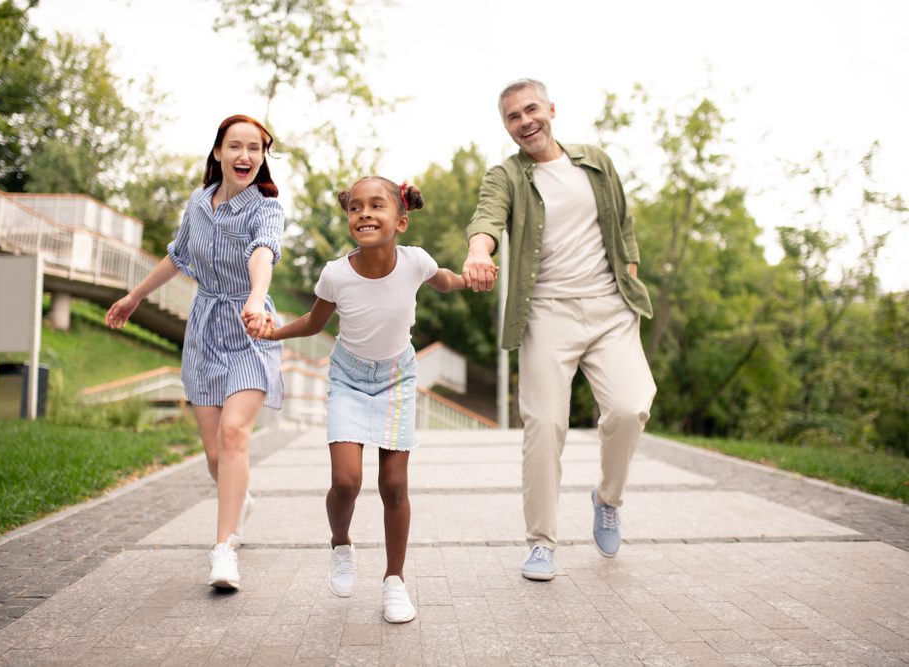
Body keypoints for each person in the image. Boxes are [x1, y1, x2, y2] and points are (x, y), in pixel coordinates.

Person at [462, 78, 656, 580]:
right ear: (506, 126)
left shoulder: (594, 160)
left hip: (611, 311)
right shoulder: (506, 175)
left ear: (551, 109)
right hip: (547, 314)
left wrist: (629, 270)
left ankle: (607, 498)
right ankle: (542, 542)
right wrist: (479, 253)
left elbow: (623, 221)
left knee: (630, 409)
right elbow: (485, 222)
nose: (525, 122)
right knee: (545, 426)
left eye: (531, 110)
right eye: (512, 116)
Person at [255, 177, 466, 622]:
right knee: (347, 481)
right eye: (355, 208)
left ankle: (394, 581)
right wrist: (274, 331)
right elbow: (315, 323)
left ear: (401, 221)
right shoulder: (336, 273)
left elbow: (445, 281)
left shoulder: (416, 262)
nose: (364, 214)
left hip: (397, 378)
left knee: (393, 485)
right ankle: (341, 544)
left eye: (376, 206)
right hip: (349, 377)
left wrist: (472, 278)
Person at [105, 114, 285, 590]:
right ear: (218, 153)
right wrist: (134, 295)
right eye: (235, 146)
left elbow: (262, 254)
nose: (245, 156)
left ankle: (224, 549)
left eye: (255, 148)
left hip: (250, 327)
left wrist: (253, 296)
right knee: (213, 454)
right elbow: (178, 255)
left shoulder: (265, 207)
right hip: (205, 330)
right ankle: (238, 499)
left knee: (233, 436)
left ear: (263, 157)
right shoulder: (198, 204)